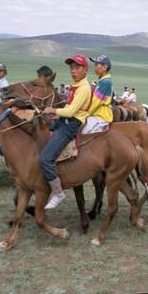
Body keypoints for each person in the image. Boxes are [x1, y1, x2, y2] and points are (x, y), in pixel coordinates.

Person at [41, 54, 92, 209]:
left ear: (85, 70)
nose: (73, 71)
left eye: (77, 68)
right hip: (64, 121)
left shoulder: (83, 88)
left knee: (45, 158)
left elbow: (70, 112)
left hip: (70, 125)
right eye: (71, 68)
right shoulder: (75, 86)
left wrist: (53, 110)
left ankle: (58, 192)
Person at [82, 55, 113, 133]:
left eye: (96, 65)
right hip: (97, 113)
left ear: (104, 67)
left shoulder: (105, 82)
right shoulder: (102, 80)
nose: (94, 68)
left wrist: (85, 113)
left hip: (101, 115)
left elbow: (96, 102)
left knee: (85, 133)